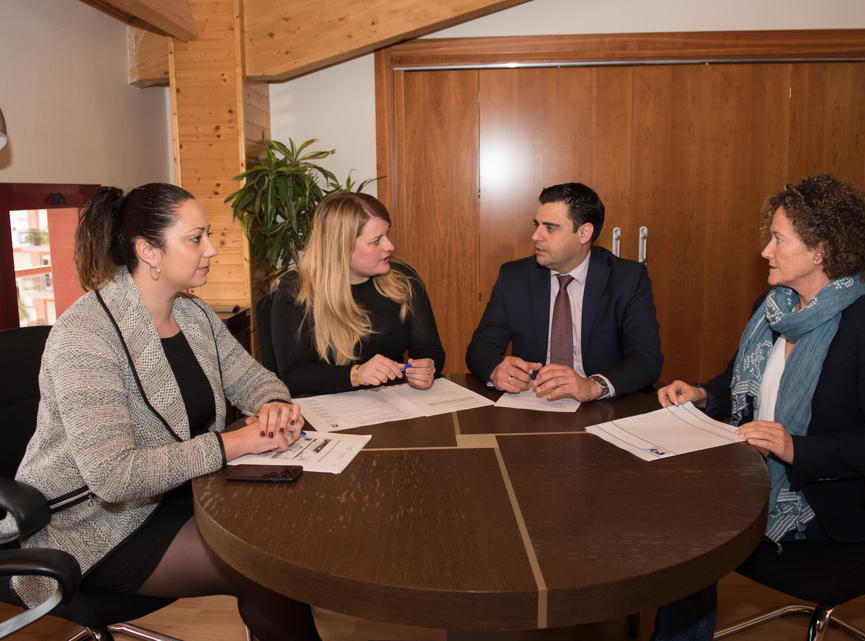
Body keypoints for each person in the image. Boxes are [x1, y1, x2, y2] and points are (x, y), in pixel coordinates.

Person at [0, 184, 323, 641]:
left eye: (207, 235)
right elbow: (113, 477)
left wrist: (272, 405)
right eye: (196, 239)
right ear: (148, 251)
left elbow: (256, 380)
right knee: (270, 574)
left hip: (178, 495)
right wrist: (236, 442)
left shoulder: (195, 316)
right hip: (96, 524)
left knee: (283, 543)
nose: (211, 248)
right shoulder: (85, 336)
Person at [651, 174, 865, 641]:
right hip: (756, 468)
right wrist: (701, 394)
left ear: (821, 250)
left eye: (779, 239)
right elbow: (743, 381)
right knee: (662, 495)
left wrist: (797, 448)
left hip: (827, 496)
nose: (766, 251)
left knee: (689, 532)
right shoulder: (774, 308)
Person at [465, 182, 662, 401]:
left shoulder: (627, 278)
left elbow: (647, 358)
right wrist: (495, 370)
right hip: (533, 403)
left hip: (602, 408)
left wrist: (593, 386)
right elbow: (481, 346)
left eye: (550, 228)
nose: (535, 236)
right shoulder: (514, 277)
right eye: (537, 225)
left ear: (584, 233)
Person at [271, 191, 445, 395]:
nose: (390, 246)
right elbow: (293, 375)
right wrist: (356, 375)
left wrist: (427, 365)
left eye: (387, 234)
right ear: (341, 248)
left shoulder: (403, 279)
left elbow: (428, 347)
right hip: (328, 411)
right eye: (376, 240)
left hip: (392, 403)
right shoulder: (297, 290)